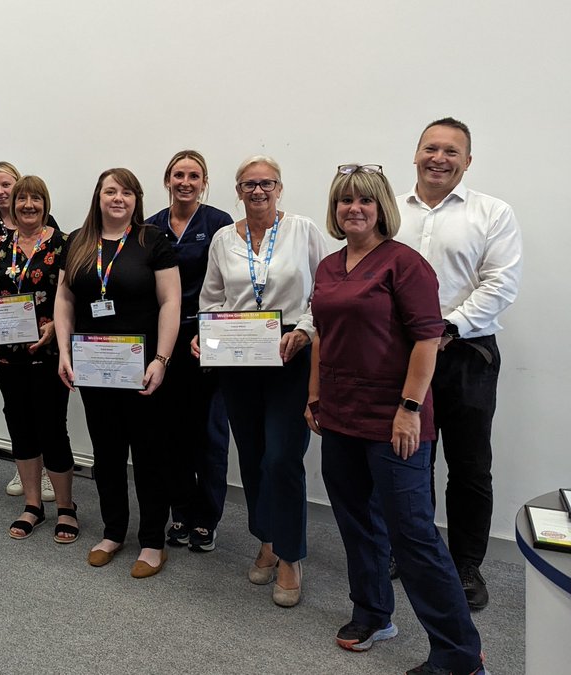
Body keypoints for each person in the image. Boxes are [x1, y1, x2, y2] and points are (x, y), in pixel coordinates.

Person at [308, 164, 486, 675]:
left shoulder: (406, 265)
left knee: (412, 533)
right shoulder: (328, 265)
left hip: (394, 419)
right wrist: (315, 396)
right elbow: (322, 335)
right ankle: (372, 613)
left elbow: (428, 339)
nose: (353, 209)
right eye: (344, 201)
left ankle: (459, 654)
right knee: (356, 521)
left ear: (381, 207)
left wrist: (409, 410)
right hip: (339, 414)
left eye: (364, 200)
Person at [395, 117, 522, 612]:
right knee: (408, 458)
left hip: (466, 352)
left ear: (467, 161)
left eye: (452, 151)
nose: (439, 158)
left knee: (469, 466)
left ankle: (465, 564)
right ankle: (409, 551)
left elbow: (500, 284)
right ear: (416, 154)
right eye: (431, 148)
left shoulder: (492, 212)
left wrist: (445, 328)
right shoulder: (391, 212)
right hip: (402, 355)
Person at [196, 155, 326, 606]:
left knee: (282, 459)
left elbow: (322, 292)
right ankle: (267, 540)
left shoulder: (303, 230)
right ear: (237, 190)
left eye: (266, 183)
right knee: (251, 456)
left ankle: (290, 556)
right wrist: (205, 337)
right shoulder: (221, 239)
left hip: (289, 356)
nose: (258, 191)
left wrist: (304, 332)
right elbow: (212, 298)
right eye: (249, 184)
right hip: (238, 359)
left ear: (279, 187)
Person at [54, 168, 181, 577]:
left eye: (127, 192)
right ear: (99, 196)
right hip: (94, 368)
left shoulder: (152, 241)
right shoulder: (77, 242)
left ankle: (152, 541)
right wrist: (63, 351)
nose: (118, 199)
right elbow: (64, 300)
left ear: (136, 199)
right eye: (111, 191)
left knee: (150, 455)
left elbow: (170, 302)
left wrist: (161, 360)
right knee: (106, 454)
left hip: (142, 369)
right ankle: (113, 531)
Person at [0, 175, 77, 543]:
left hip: (49, 351)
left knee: (52, 426)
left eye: (36, 199)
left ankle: (66, 506)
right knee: (19, 423)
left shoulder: (64, 244)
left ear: (45, 204)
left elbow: (71, 297)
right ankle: (33, 505)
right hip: (6, 355)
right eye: (22, 199)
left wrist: (57, 328)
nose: (28, 205)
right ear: (12, 205)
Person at [145, 150, 233, 552]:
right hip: (164, 340)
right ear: (167, 180)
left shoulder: (219, 225)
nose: (185, 181)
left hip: (206, 339)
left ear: (204, 182)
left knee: (210, 434)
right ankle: (180, 511)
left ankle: (207, 517)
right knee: (170, 432)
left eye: (194, 175)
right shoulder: (149, 228)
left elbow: (229, 285)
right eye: (178, 174)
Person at [0, 162, 59, 504]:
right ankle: (28, 472)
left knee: (47, 412)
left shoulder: (55, 235)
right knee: (16, 409)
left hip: (43, 341)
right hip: (5, 337)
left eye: (8, 185)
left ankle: (49, 472)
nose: (2, 192)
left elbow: (62, 290)